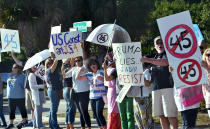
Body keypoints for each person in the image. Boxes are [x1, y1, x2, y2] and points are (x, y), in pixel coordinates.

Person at [141, 36, 178, 129]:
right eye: (158, 43)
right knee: (161, 116)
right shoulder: (153, 55)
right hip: (155, 89)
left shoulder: (168, 54)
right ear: (154, 46)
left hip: (168, 88)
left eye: (162, 42)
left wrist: (147, 60)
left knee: (171, 115)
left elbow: (165, 62)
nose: (160, 45)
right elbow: (139, 61)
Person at [77, 58, 107, 129]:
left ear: (97, 65)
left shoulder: (101, 72)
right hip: (92, 97)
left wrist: (102, 79)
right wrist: (80, 70)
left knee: (99, 113)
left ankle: (105, 127)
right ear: (89, 67)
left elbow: (108, 80)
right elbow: (78, 78)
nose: (93, 65)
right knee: (96, 115)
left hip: (101, 96)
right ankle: (100, 127)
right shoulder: (89, 74)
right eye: (91, 64)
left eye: (94, 64)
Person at [11, 51, 34, 127]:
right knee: (31, 107)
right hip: (27, 89)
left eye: (28, 57)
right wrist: (13, 55)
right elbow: (19, 62)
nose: (27, 59)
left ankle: (35, 121)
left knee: (34, 107)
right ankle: (33, 120)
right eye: (27, 57)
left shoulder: (35, 64)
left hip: (33, 89)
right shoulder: (27, 64)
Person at [6, 64, 28, 129]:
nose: (15, 69)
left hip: (20, 97)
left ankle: (24, 121)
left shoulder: (22, 76)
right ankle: (11, 124)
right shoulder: (8, 75)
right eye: (14, 67)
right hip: (10, 97)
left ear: (18, 69)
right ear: (12, 68)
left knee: (22, 110)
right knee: (11, 111)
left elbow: (24, 86)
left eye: (16, 67)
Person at [102, 53, 121, 129]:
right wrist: (104, 69)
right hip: (112, 92)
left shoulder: (111, 70)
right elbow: (107, 79)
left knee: (113, 110)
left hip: (111, 92)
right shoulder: (112, 70)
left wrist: (104, 69)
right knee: (113, 110)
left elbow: (106, 80)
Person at [45, 55, 63, 129]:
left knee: (52, 109)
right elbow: (55, 64)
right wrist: (56, 57)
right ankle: (55, 126)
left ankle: (52, 125)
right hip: (53, 90)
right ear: (47, 65)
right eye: (49, 63)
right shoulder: (49, 70)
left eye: (51, 62)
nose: (51, 64)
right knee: (54, 110)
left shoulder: (54, 70)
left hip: (55, 90)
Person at [61, 58, 76, 129]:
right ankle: (70, 124)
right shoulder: (67, 69)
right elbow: (72, 64)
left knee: (68, 108)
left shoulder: (65, 69)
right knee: (71, 108)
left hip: (66, 90)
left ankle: (67, 124)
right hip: (68, 90)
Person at [202, 48, 210, 117]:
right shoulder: (202, 69)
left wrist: (207, 69)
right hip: (208, 101)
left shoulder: (205, 69)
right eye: (208, 55)